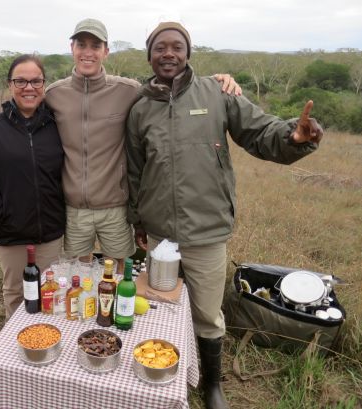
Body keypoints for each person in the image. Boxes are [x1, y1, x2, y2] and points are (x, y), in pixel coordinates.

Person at [125, 22, 323, 409]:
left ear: (188, 53)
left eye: (176, 46)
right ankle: (166, 372)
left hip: (207, 230)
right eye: (160, 47)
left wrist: (293, 138)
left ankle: (212, 385)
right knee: (162, 305)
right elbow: (134, 171)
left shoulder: (217, 93)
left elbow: (260, 131)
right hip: (159, 233)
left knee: (207, 313)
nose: (168, 53)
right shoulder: (139, 108)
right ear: (149, 55)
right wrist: (137, 222)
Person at [0, 18, 242, 275]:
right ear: (72, 49)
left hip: (115, 207)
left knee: (122, 275)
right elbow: (24, 109)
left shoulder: (129, 90)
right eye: (81, 45)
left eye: (95, 46)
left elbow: (170, 92)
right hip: (73, 209)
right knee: (74, 278)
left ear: (106, 51)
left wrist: (213, 81)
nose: (87, 52)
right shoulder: (54, 94)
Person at [0, 54, 65, 320]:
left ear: (44, 84)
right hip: (10, 232)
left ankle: (46, 343)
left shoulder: (59, 125)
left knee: (48, 293)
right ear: (10, 85)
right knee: (16, 293)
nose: (29, 88)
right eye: (20, 81)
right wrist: (2, 211)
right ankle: (15, 351)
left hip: (50, 231)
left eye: (36, 81)